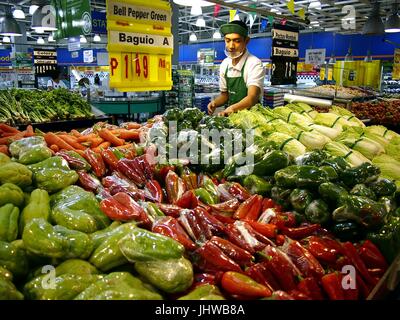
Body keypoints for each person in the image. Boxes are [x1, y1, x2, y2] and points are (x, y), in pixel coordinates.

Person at [207, 20, 266, 116]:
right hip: (232, 117)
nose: (231, 46)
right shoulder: (224, 64)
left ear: (246, 41)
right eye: (227, 40)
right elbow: (225, 95)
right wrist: (215, 103)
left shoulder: (254, 64)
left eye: (237, 41)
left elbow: (252, 97)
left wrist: (232, 108)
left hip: (252, 118)